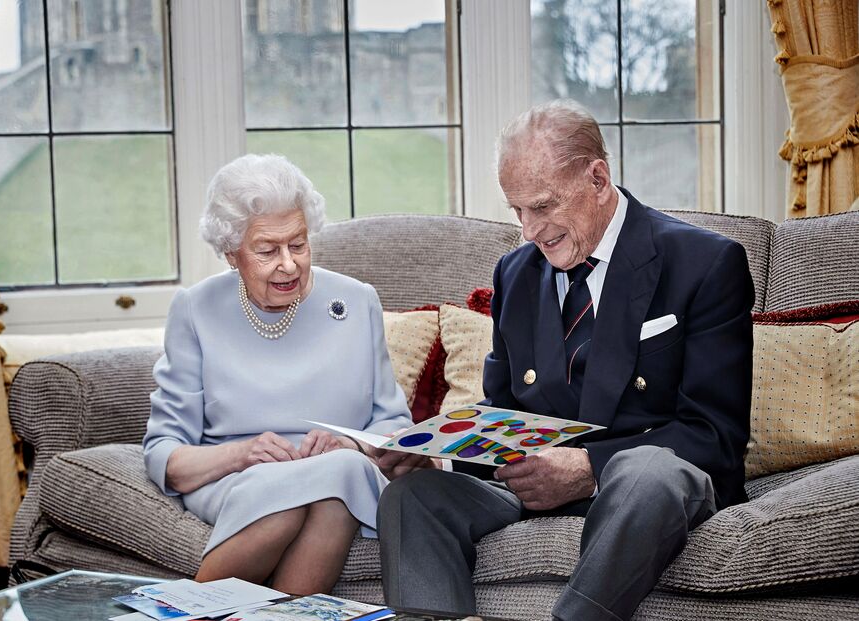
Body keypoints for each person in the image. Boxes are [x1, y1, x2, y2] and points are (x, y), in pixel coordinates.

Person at [376, 100, 753, 621]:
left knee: (647, 472)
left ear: (598, 178)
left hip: (644, 488)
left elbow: (716, 435)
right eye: (517, 211)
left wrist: (588, 469)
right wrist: (438, 456)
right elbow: (502, 411)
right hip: (532, 487)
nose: (529, 230)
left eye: (544, 206)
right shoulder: (516, 272)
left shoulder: (704, 263)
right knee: (413, 496)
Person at [144, 153, 412, 594]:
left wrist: (349, 442)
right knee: (303, 497)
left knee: (337, 478)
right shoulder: (196, 309)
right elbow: (165, 453)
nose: (288, 264)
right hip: (234, 476)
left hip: (339, 470)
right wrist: (242, 454)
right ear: (232, 254)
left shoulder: (357, 300)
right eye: (267, 250)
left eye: (299, 244)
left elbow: (394, 425)